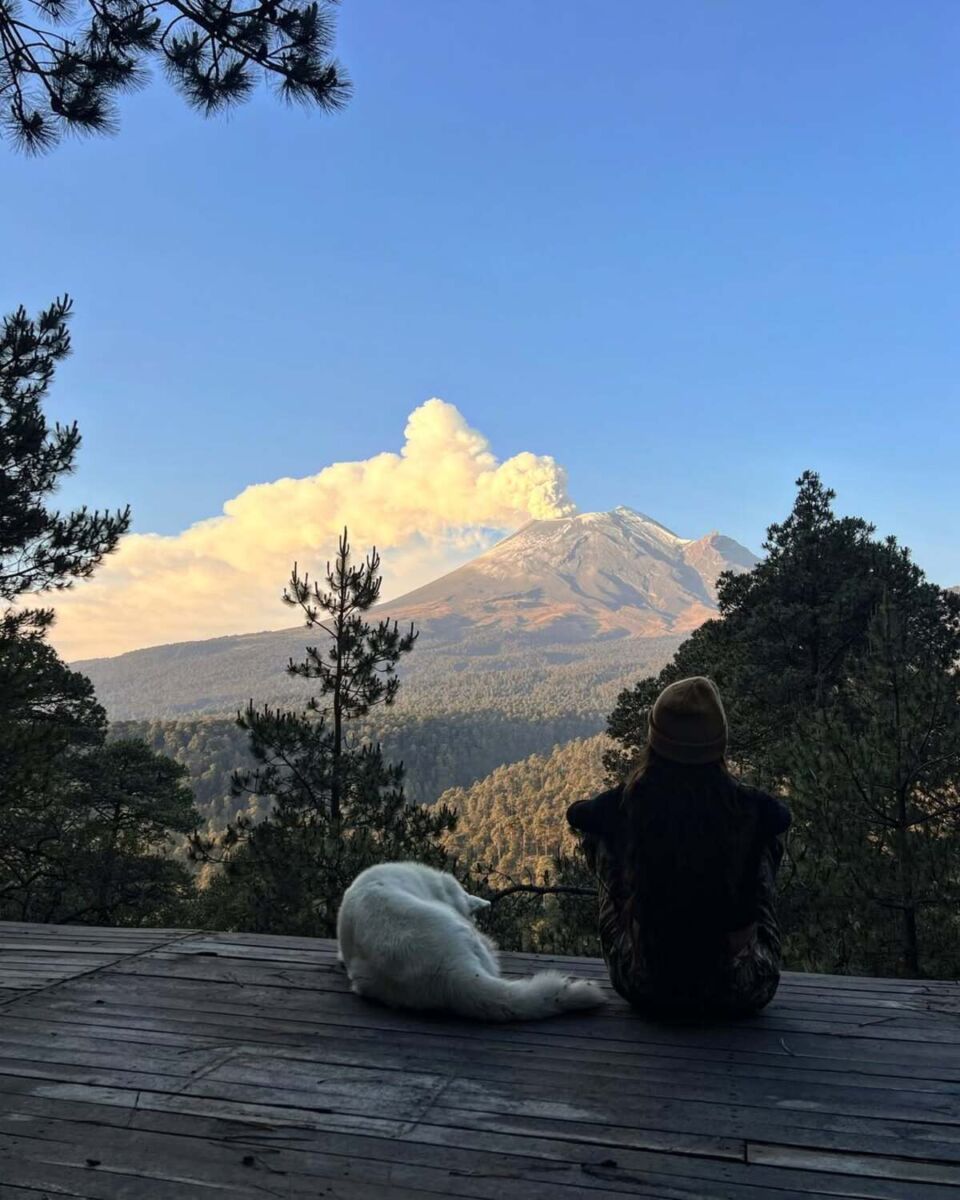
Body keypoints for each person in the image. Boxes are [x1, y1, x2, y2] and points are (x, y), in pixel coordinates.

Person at [567, 676, 790, 1018]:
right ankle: (742, 941)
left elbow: (578, 815)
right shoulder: (748, 806)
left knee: (601, 837)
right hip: (740, 989)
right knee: (767, 840)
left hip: (647, 986)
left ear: (654, 740)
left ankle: (638, 932)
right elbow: (782, 818)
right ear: (720, 743)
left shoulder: (628, 804)